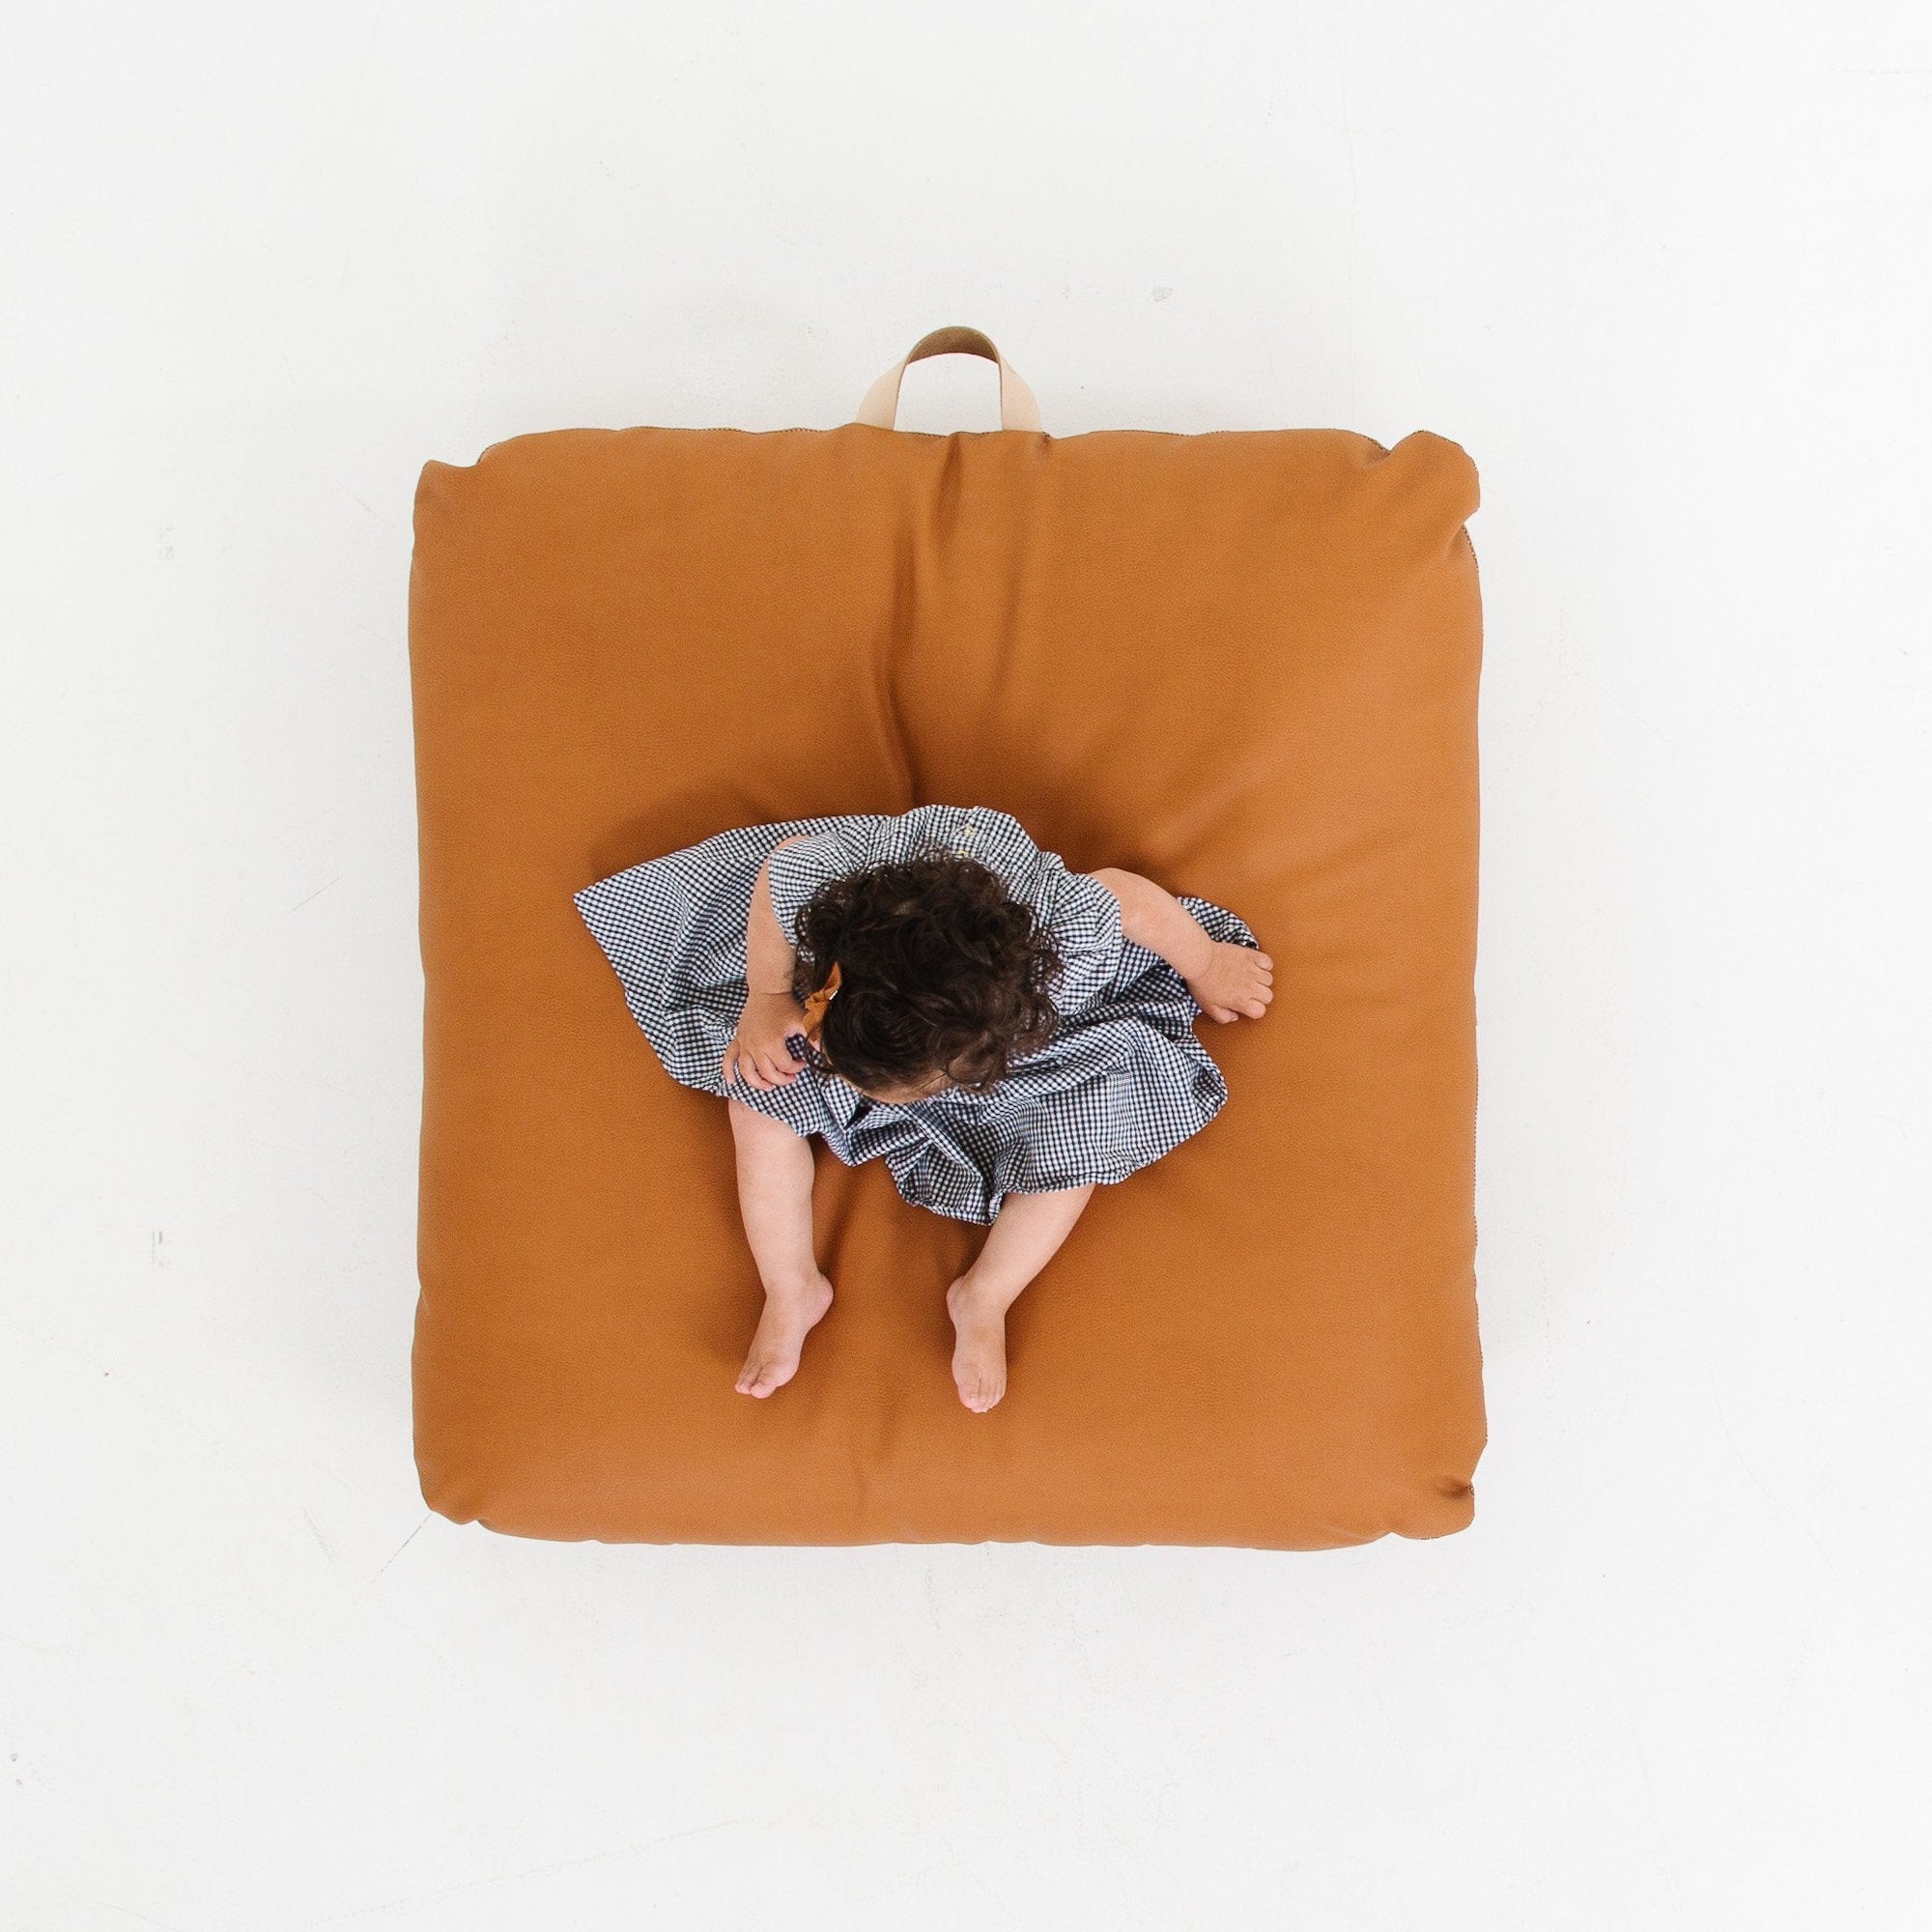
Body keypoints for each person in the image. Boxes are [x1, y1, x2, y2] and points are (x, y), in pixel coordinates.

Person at [574, 804, 1272, 1412]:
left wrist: (1206, 963)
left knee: (1081, 1147)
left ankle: (985, 1296)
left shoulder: (1066, 943)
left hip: (1015, 1017)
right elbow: (781, 867)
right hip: (890, 978)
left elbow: (1133, 900)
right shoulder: (829, 898)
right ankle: (791, 1287)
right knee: (755, 1097)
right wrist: (766, 999)